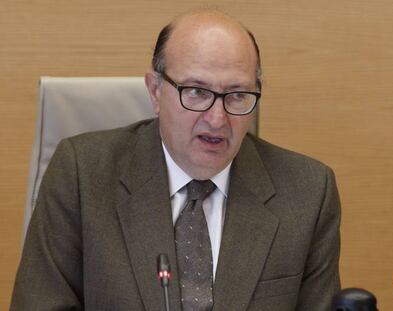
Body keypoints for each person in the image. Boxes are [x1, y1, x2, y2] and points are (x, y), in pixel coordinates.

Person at [10, 10, 341, 311]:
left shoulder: (307, 193)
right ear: (155, 91)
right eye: (196, 91)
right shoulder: (81, 175)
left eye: (237, 95)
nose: (217, 119)